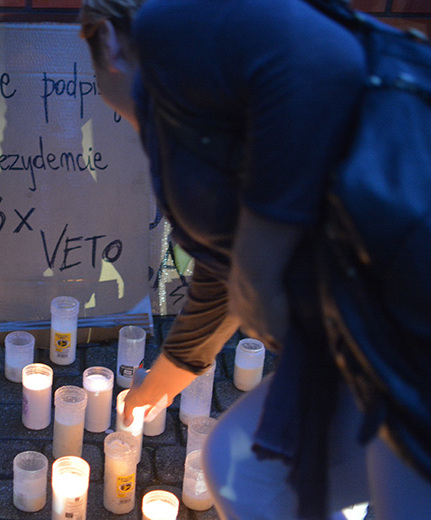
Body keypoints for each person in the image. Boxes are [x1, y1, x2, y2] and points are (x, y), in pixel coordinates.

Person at [78, 0, 431, 518]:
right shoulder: (188, 119)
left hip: (407, 328)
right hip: (362, 343)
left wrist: (260, 264)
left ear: (107, 39)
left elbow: (325, 54)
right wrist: (161, 382)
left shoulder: (165, 24)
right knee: (242, 468)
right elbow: (226, 271)